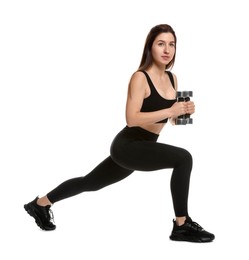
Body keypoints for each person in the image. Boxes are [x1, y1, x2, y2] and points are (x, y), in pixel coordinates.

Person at [24, 24, 215, 243]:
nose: (166, 49)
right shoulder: (140, 77)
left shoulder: (173, 79)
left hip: (145, 147)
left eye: (171, 44)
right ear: (150, 47)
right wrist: (170, 109)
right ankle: (182, 225)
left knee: (90, 182)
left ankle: (39, 204)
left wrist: (182, 112)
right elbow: (132, 119)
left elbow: (170, 119)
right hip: (128, 145)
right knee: (184, 158)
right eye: (160, 43)